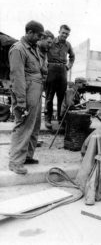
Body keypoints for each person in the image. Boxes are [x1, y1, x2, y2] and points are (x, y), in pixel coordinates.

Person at [8, 20, 45, 174]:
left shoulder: (34, 48)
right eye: (38, 35)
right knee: (23, 126)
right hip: (26, 92)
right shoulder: (18, 49)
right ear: (29, 32)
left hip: (35, 91)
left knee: (34, 125)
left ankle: (27, 156)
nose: (39, 38)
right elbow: (17, 77)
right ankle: (15, 162)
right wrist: (21, 101)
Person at [45, 24, 75, 129]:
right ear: (59, 32)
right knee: (49, 97)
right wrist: (45, 66)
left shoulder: (68, 45)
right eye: (63, 33)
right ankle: (47, 119)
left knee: (61, 97)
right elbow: (43, 51)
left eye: (67, 34)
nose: (65, 35)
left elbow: (72, 56)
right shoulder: (51, 41)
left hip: (63, 71)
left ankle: (60, 119)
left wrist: (68, 66)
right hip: (51, 69)